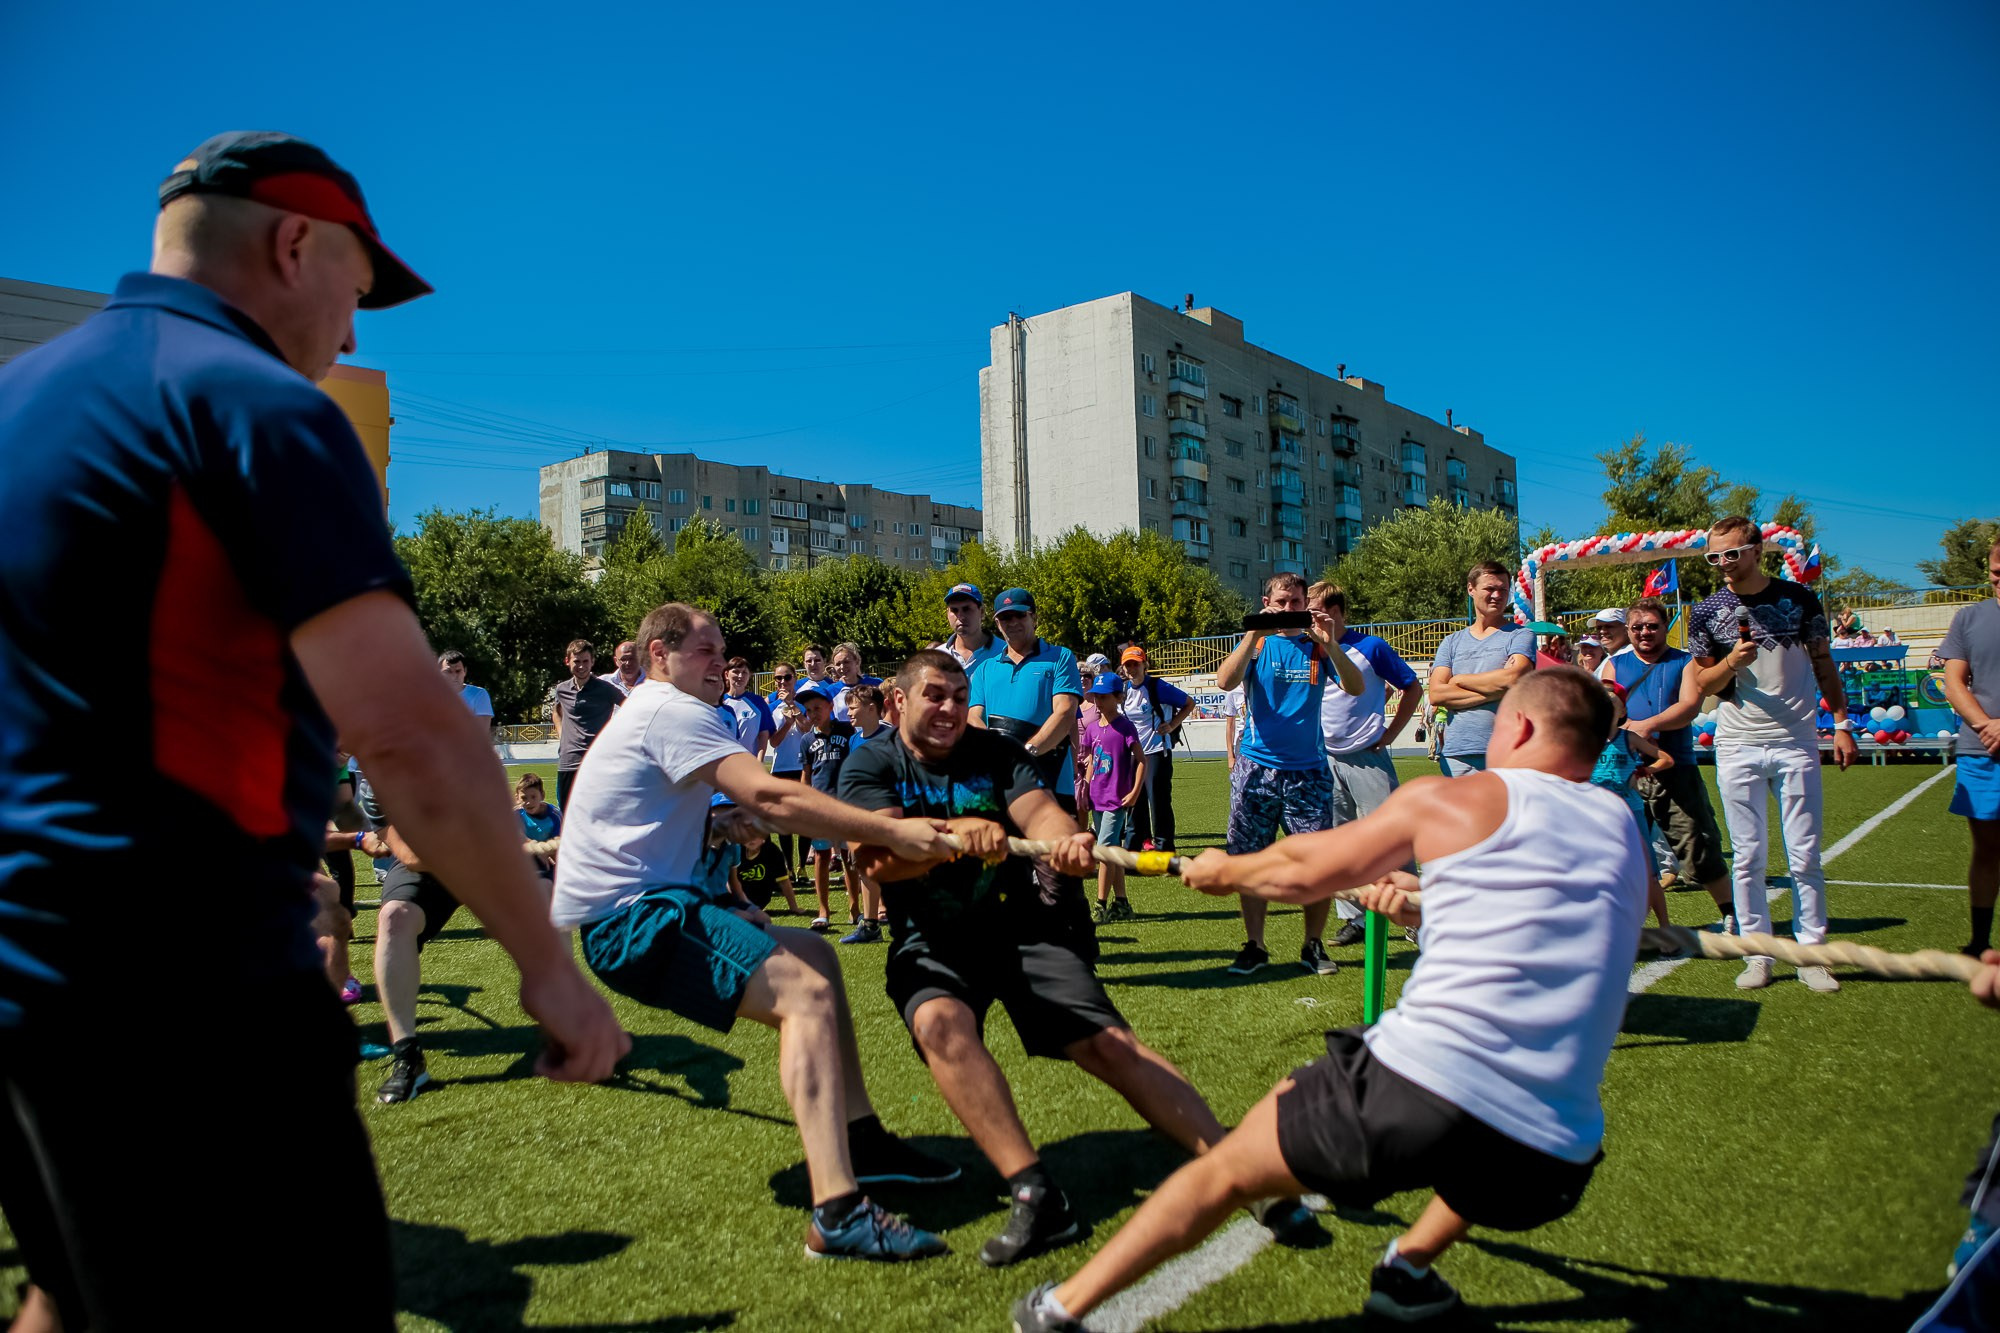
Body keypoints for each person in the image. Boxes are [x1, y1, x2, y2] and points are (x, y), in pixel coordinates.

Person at [0, 130, 625, 1328]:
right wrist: (547, 967)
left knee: (80, 1293)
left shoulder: (19, 399)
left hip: (29, 981)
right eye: (353, 292)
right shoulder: (252, 406)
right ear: (293, 244)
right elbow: (410, 737)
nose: (348, 335)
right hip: (182, 984)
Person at [1011, 668, 1650, 1331]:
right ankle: (1409, 1267)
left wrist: (1228, 869)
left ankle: (1058, 1309)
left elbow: (1305, 869)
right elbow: (1545, 930)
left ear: (1518, 727)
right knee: (1489, 1136)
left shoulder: (1461, 797)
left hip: (1419, 1090)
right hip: (1552, 1162)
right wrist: (1418, 906)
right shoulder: (1622, 825)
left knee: (1226, 1170)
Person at [842, 651, 1316, 1268]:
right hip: (930, 941)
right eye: (935, 695)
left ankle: (1236, 1167)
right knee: (940, 1025)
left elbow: (1039, 812)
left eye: (959, 696)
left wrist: (1066, 839)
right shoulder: (870, 762)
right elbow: (873, 858)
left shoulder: (995, 752)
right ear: (898, 701)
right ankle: (1038, 1195)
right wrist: (953, 837)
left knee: (1110, 1045)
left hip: (1022, 928)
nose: (950, 709)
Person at [552, 603, 962, 1261]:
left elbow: (642, 819)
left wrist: (717, 829)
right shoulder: (671, 708)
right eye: (706, 651)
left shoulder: (659, 709)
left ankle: (860, 1141)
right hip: (635, 922)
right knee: (806, 995)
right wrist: (887, 828)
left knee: (816, 956)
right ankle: (838, 1212)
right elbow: (770, 795)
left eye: (723, 650)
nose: (721, 662)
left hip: (656, 905)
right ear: (660, 653)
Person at [1688, 514, 1856, 993]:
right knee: (1747, 857)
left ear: (1757, 550)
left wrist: (1842, 724)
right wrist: (1729, 663)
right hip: (1737, 743)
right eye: (1713, 556)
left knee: (1805, 854)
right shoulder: (1707, 611)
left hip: (1796, 741)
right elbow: (1703, 683)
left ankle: (1811, 953)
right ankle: (1758, 952)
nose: (1722, 564)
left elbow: (1823, 664)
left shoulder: (1798, 599)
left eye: (1731, 554)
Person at [1214, 573, 1364, 977]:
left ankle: (1312, 945)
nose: (1288, 610)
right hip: (1256, 769)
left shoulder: (1316, 646)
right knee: (1249, 861)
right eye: (1280, 603)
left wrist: (1330, 643)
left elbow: (1355, 686)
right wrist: (1252, 634)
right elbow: (1224, 680)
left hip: (1308, 773)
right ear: (1266, 602)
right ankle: (1255, 944)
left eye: (1295, 602)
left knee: (1316, 865)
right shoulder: (1257, 646)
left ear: (1306, 604)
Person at [1312, 581, 1424, 950]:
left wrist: (1390, 734)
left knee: (1391, 841)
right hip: (1324, 758)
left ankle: (1414, 918)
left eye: (1317, 611)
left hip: (1367, 757)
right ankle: (1354, 919)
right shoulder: (1310, 649)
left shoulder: (1371, 647)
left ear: (1338, 611)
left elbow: (1412, 687)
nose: (1312, 618)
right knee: (1338, 843)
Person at [1613, 597, 1734, 929]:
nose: (1645, 633)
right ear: (1628, 630)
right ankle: (1626, 927)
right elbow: (1601, 710)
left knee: (1698, 844)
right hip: (1624, 773)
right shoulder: (1615, 665)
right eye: (1637, 627)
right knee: (1620, 853)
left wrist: (1646, 726)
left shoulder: (1685, 662)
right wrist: (1628, 734)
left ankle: (1731, 916)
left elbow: (1689, 707)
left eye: (1652, 625)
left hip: (1676, 767)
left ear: (1665, 627)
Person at [1939, 537, 2000, 958]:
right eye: (1996, 570)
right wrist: (1985, 725)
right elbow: (1953, 681)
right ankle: (1980, 942)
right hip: (1983, 751)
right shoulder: (1969, 617)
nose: (1998, 578)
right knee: (1987, 849)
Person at [1428, 562, 1538, 776]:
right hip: (1456, 754)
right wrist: (1498, 689)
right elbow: (1437, 694)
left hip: (1506, 752)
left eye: (1503, 590)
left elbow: (1514, 678)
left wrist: (1459, 680)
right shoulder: (1451, 642)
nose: (1497, 595)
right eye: (1490, 589)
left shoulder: (1520, 635)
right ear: (1471, 589)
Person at [1593, 682, 1674, 929]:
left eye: (1612, 703)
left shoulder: (1629, 738)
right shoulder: (1586, 739)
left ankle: (1665, 929)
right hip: (1597, 816)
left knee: (1647, 873)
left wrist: (1642, 771)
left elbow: (1666, 759)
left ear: (1622, 711)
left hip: (1630, 812)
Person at [1079, 673, 1146, 922]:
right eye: (1096, 696)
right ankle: (1122, 903)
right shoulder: (1093, 728)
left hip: (1117, 799)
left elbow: (1141, 760)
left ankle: (1100, 905)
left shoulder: (1125, 726)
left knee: (1104, 851)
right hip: (1097, 797)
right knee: (1113, 850)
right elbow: (1092, 761)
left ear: (1119, 697)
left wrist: (1135, 790)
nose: (1098, 702)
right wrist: (1085, 787)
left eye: (1104, 697)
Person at [1117, 647, 1196, 853]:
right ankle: (1132, 850)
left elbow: (1189, 703)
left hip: (1156, 752)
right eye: (1128, 665)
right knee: (1134, 801)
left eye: (1136, 663)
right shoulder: (1123, 691)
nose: (1132, 668)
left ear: (1145, 665)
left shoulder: (1157, 687)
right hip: (1133, 754)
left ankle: (1164, 850)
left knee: (1158, 801)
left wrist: (1172, 725)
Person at [798, 682, 858, 931]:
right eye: (809, 711)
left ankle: (856, 908)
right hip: (820, 807)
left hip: (846, 804)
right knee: (822, 856)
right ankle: (824, 910)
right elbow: (807, 775)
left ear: (831, 706)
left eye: (817, 708)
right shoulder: (806, 740)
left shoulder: (847, 731)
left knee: (848, 857)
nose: (813, 714)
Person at [841, 684, 894, 944]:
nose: (848, 712)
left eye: (853, 707)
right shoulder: (854, 739)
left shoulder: (893, 736)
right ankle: (870, 924)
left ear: (871, 708)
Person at [552, 638, 623, 810]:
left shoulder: (605, 689)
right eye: (577, 661)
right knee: (568, 815)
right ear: (567, 661)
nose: (581, 666)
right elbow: (557, 712)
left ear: (592, 662)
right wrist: (562, 735)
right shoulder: (562, 689)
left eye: (586, 661)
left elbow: (631, 708)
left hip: (596, 762)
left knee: (599, 814)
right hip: (569, 762)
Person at [765, 662, 808, 882]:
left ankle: (802, 866)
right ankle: (789, 867)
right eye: (778, 679)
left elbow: (807, 729)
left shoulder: (804, 704)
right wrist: (785, 721)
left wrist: (793, 707)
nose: (783, 682)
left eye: (787, 677)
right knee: (783, 822)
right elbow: (774, 741)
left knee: (804, 820)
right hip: (781, 768)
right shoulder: (773, 708)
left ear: (795, 679)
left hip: (803, 767)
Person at [935, 581, 1004, 672]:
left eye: (966, 609)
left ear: (982, 612)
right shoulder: (937, 657)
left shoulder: (1004, 652)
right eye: (954, 610)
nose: (961, 616)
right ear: (947, 613)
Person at [732, 826, 802, 915]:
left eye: (755, 835)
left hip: (759, 899)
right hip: (737, 899)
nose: (751, 839)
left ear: (764, 836)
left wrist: (794, 907)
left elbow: (784, 882)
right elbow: (730, 880)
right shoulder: (736, 850)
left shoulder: (772, 852)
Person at [719, 656, 777, 759]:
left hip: (749, 764)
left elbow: (763, 735)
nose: (740, 676)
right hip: (724, 765)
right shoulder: (718, 701)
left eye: (744, 672)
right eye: (736, 672)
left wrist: (759, 761)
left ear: (749, 675)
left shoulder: (758, 702)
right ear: (727, 674)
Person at [440, 648, 497, 735]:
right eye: (448, 672)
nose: (453, 676)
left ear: (465, 671)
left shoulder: (479, 694)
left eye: (458, 671)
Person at [516, 772, 561, 880]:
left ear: (542, 795)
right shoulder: (515, 815)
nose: (528, 802)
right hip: (526, 856)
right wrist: (537, 849)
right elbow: (515, 836)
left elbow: (558, 841)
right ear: (517, 798)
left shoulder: (554, 815)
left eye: (533, 797)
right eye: (524, 798)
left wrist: (547, 853)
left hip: (548, 857)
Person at [829, 641, 883, 724]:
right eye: (838, 664)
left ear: (857, 662)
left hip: (874, 735)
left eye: (846, 662)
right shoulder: (830, 691)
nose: (842, 667)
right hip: (845, 736)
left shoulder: (876, 684)